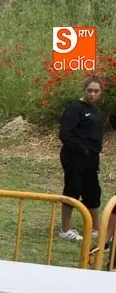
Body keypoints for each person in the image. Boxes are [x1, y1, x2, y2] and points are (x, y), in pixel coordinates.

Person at [58, 76, 104, 242]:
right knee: (73, 189)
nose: (92, 94)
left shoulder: (97, 112)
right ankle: (65, 229)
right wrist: (81, 149)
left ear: (100, 92)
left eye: (96, 91)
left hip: (91, 159)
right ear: (84, 90)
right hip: (74, 156)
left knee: (93, 191)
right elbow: (65, 134)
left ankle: (95, 228)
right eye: (89, 90)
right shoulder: (74, 108)